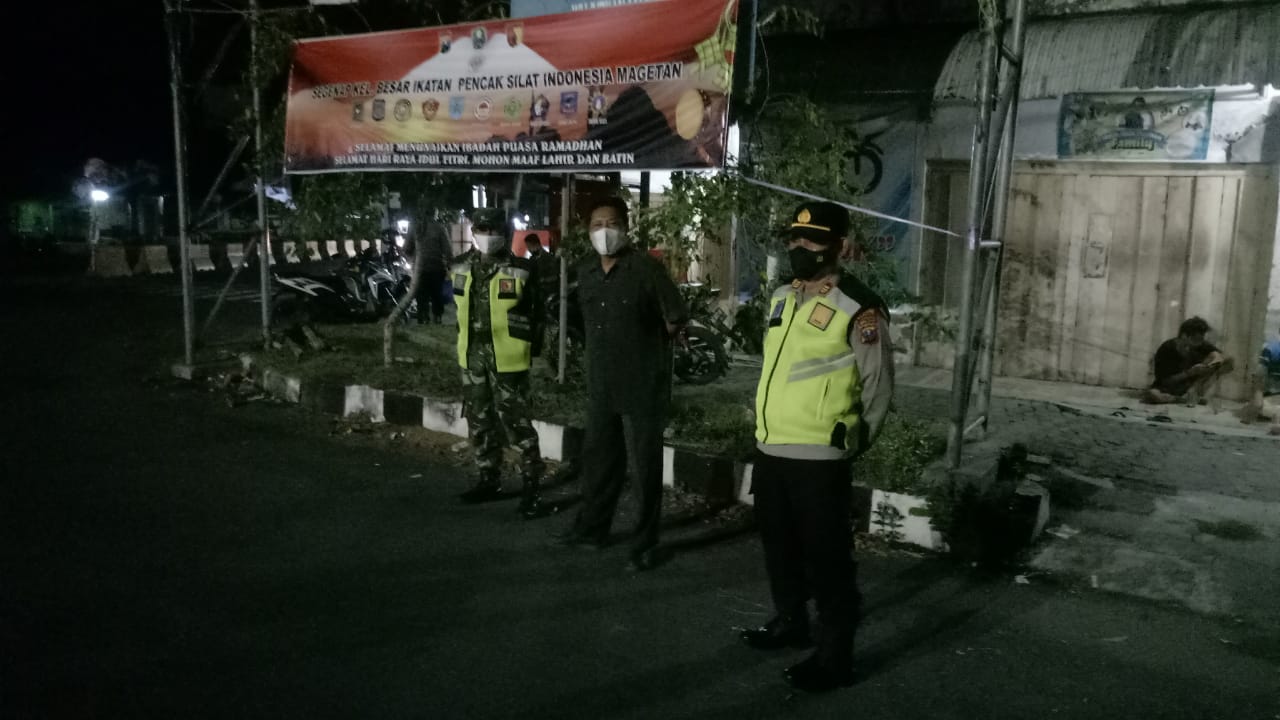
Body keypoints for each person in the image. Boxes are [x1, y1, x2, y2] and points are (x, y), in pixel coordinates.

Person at [740, 201, 894, 694]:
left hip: (820, 460)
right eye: (795, 238)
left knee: (828, 562)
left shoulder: (858, 306)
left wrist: (850, 443)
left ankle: (834, 657)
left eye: (813, 240)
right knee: (779, 549)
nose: (800, 247)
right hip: (771, 449)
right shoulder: (782, 297)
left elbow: (878, 388)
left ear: (838, 246)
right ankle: (790, 622)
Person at [555, 197, 688, 571]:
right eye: (597, 225)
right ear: (588, 230)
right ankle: (593, 530)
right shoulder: (586, 271)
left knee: (644, 468)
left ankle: (644, 544)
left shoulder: (646, 269)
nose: (604, 231)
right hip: (601, 385)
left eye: (611, 223)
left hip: (642, 385)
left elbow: (674, 317)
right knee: (599, 461)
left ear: (626, 228)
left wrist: (648, 347)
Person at [451, 208, 550, 519]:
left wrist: (532, 349)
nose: (487, 235)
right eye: (482, 228)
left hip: (509, 360)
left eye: (494, 229)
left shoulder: (522, 269)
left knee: (517, 424)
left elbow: (537, 314)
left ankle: (532, 486)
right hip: (472, 358)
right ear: (473, 231)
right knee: (479, 421)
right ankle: (488, 478)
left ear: (505, 234)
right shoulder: (459, 266)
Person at [1141, 317, 1234, 404]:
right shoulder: (1167, 348)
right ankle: (1181, 399)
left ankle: (1190, 395)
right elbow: (1164, 381)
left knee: (1219, 358)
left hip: (1190, 387)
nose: (1199, 343)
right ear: (1184, 335)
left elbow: (1227, 358)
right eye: (1196, 339)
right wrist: (1190, 372)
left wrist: (1210, 367)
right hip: (1168, 387)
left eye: (1201, 339)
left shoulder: (1200, 344)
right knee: (1153, 394)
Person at [411, 217, 453, 324]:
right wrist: (449, 263)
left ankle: (423, 317)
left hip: (419, 269)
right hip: (436, 267)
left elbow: (406, 248)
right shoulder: (440, 228)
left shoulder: (415, 228)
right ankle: (437, 317)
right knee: (436, 294)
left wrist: (414, 260)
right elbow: (447, 249)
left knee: (421, 295)